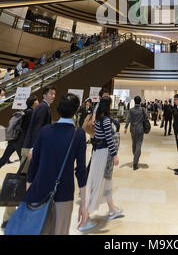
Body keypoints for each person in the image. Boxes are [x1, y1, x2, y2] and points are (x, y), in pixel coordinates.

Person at [23, 93, 87, 235]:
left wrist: (28, 194)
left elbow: (33, 166)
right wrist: (84, 203)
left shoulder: (45, 131)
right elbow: (81, 170)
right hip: (63, 193)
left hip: (38, 192)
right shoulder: (78, 134)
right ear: (76, 111)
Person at [1, 88, 56, 229]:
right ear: (45, 95)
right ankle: (9, 218)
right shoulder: (43, 108)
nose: (53, 96)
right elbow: (38, 129)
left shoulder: (42, 107)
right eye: (51, 94)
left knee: (25, 182)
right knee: (21, 182)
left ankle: (18, 216)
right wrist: (34, 148)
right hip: (31, 150)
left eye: (54, 94)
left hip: (30, 148)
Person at [80, 98, 122, 232]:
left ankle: (112, 209)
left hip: (99, 152)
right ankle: (85, 218)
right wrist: (115, 155)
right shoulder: (104, 120)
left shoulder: (98, 119)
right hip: (104, 154)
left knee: (106, 181)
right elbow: (109, 139)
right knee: (98, 184)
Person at [0, 96, 39, 169]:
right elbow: (27, 128)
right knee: (24, 162)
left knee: (4, 159)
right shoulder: (31, 112)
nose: (38, 102)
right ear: (33, 102)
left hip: (14, 138)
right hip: (20, 141)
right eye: (37, 100)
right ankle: (20, 179)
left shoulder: (24, 111)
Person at [124, 96, 145, 170]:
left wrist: (126, 127)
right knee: (139, 145)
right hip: (140, 129)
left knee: (134, 144)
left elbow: (128, 119)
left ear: (134, 101)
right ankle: (135, 162)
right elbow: (146, 118)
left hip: (133, 129)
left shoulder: (131, 110)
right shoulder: (142, 110)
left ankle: (135, 158)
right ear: (140, 102)